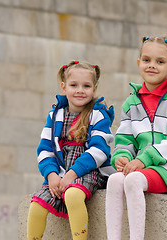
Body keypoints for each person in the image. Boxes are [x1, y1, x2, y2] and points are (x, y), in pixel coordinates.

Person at [105, 36, 167, 240]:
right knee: (114, 180)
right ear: (139, 62)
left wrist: (144, 159)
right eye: (147, 60)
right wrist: (121, 156)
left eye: (160, 62)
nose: (152, 66)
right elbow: (125, 139)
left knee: (132, 180)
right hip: (143, 167)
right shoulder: (132, 101)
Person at [27, 60, 115, 240]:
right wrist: (52, 175)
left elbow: (99, 151)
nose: (80, 90)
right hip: (60, 174)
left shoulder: (98, 115)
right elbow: (45, 150)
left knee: (73, 195)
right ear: (63, 87)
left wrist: (72, 175)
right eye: (74, 85)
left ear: (94, 88)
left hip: (90, 172)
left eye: (86, 86)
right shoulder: (55, 116)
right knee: (37, 204)